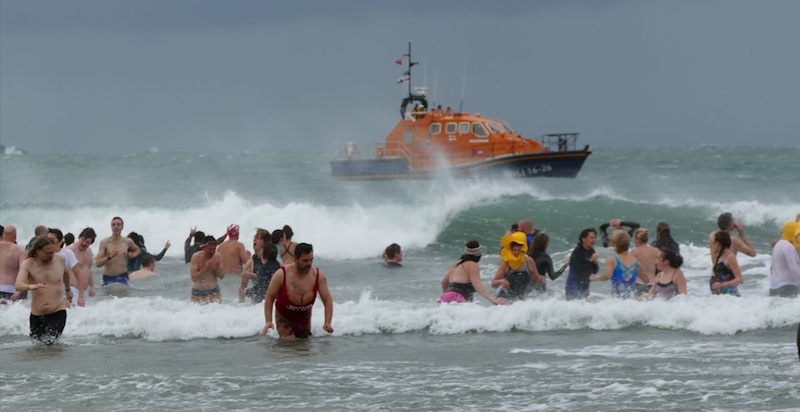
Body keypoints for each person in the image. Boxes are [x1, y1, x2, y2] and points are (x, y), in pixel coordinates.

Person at [262, 243, 334, 339]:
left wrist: (327, 322)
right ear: (295, 259)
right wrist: (268, 321)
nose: (308, 264)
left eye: (311, 260)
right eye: (305, 261)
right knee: (289, 342)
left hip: (304, 319)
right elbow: (269, 298)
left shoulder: (318, 276)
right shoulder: (281, 274)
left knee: (305, 347)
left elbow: (328, 300)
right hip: (284, 318)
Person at [15, 236, 72, 345]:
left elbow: (66, 274)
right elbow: (18, 285)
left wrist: (68, 289)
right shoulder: (28, 264)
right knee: (37, 348)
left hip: (58, 311)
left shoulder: (60, 260)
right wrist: (30, 286)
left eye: (53, 252)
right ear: (38, 251)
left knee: (49, 345)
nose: (51, 255)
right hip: (37, 315)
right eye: (48, 253)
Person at [438, 240, 504, 305]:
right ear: (478, 254)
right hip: (459, 296)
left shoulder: (456, 263)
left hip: (445, 296)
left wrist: (449, 295)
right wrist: (492, 299)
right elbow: (477, 284)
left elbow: (443, 282)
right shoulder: (472, 264)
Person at [590, 230, 647, 299]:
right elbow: (645, 280)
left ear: (615, 245)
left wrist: (596, 278)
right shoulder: (636, 261)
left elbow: (607, 275)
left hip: (617, 299)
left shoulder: (613, 259)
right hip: (631, 299)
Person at [491, 233, 544, 301]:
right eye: (514, 250)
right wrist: (501, 281)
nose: (516, 252)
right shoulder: (506, 263)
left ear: (522, 249)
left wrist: (540, 278)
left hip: (522, 294)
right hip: (505, 293)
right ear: (511, 250)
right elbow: (493, 284)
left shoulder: (529, 261)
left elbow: (536, 279)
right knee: (501, 302)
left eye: (519, 250)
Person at [96, 216, 141, 287]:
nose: (116, 227)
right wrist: (109, 256)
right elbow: (98, 263)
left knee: (121, 294)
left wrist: (133, 255)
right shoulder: (105, 242)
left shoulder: (127, 241)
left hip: (122, 276)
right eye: (113, 225)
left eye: (118, 225)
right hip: (108, 278)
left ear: (122, 227)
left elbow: (138, 250)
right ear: (111, 227)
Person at [47, 228, 86, 307]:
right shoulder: (43, 254)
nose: (48, 243)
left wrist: (81, 296)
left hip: (65, 294)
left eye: (52, 240)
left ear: (60, 242)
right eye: (47, 240)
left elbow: (78, 274)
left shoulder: (67, 253)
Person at [240, 229, 280, 303]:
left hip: (270, 300)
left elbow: (270, 279)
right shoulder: (251, 262)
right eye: (254, 237)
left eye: (258, 238)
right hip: (257, 303)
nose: (254, 239)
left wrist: (252, 275)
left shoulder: (274, 261)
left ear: (264, 242)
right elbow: (243, 287)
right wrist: (241, 304)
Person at [565, 228, 600, 300]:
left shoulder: (591, 251)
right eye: (591, 238)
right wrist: (591, 261)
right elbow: (580, 269)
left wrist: (595, 262)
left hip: (585, 285)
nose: (594, 240)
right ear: (583, 239)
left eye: (595, 238)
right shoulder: (577, 252)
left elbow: (595, 271)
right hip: (573, 285)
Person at [768, 221, 800, 298]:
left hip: (774, 287)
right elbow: (794, 268)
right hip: (787, 287)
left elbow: (772, 268)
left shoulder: (778, 244)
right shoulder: (788, 247)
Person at [190, 235, 224, 303]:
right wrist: (206, 269)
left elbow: (222, 276)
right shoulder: (196, 257)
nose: (212, 252)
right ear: (203, 247)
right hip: (198, 293)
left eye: (214, 249)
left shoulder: (217, 256)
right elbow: (194, 278)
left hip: (214, 291)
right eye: (210, 249)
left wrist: (216, 269)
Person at [709, 231, 743, 296]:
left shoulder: (730, 257)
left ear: (718, 244)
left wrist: (721, 284)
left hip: (731, 296)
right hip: (724, 298)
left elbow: (740, 279)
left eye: (713, 243)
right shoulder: (720, 256)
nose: (712, 246)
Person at [67, 227, 97, 300]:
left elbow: (89, 270)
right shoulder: (70, 250)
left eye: (87, 242)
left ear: (91, 243)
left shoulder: (89, 251)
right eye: (83, 240)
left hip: (83, 291)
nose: (84, 243)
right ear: (79, 237)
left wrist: (92, 286)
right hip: (72, 289)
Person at [0, 224, 26, 303]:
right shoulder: (19, 250)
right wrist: (19, 292)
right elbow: (24, 271)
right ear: (15, 236)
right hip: (10, 290)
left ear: (3, 235)